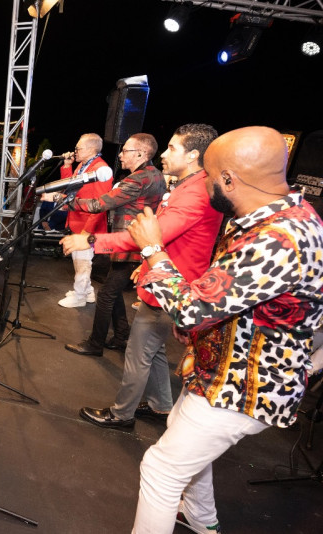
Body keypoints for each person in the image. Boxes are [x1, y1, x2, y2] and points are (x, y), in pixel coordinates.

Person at [124, 126, 323, 533]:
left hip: (247, 385)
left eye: (209, 176)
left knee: (161, 470)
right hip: (220, 370)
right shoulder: (263, 216)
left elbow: (194, 310)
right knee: (184, 445)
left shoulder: (281, 238)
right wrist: (202, 327)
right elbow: (227, 293)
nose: (202, 183)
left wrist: (152, 249)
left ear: (229, 180)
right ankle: (203, 524)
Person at [61, 124, 223, 430]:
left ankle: (122, 414)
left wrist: (93, 241)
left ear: (193, 155)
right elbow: (167, 239)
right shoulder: (187, 185)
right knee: (155, 349)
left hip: (171, 287)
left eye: (172, 148)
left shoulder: (195, 193)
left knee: (137, 355)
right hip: (161, 278)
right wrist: (146, 265)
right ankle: (162, 407)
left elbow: (151, 234)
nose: (164, 153)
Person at [63, 133, 165, 357]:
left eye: (125, 150)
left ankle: (95, 344)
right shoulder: (154, 175)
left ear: (140, 153)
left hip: (130, 246)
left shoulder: (139, 179)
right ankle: (120, 336)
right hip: (130, 245)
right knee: (114, 292)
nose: (120, 155)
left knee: (107, 295)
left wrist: (67, 201)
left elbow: (101, 203)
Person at [54, 133, 114, 308]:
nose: (75, 151)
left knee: (82, 261)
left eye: (78, 148)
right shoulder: (82, 165)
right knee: (79, 259)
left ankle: (80, 296)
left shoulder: (102, 170)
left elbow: (100, 204)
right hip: (77, 220)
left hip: (87, 226)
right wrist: (67, 166)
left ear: (90, 149)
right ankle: (87, 292)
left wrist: (86, 232)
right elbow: (70, 188)